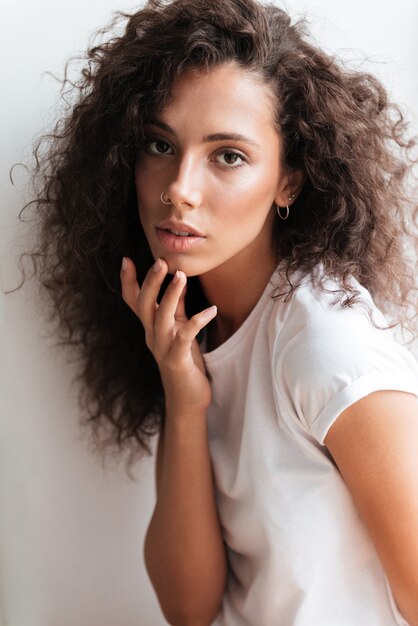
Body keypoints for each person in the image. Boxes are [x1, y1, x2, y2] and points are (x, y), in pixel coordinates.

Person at [20, 0, 418, 624]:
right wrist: (186, 400)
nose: (179, 186)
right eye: (160, 144)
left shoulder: (326, 345)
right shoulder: (198, 326)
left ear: (290, 180)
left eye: (227, 155)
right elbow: (190, 608)